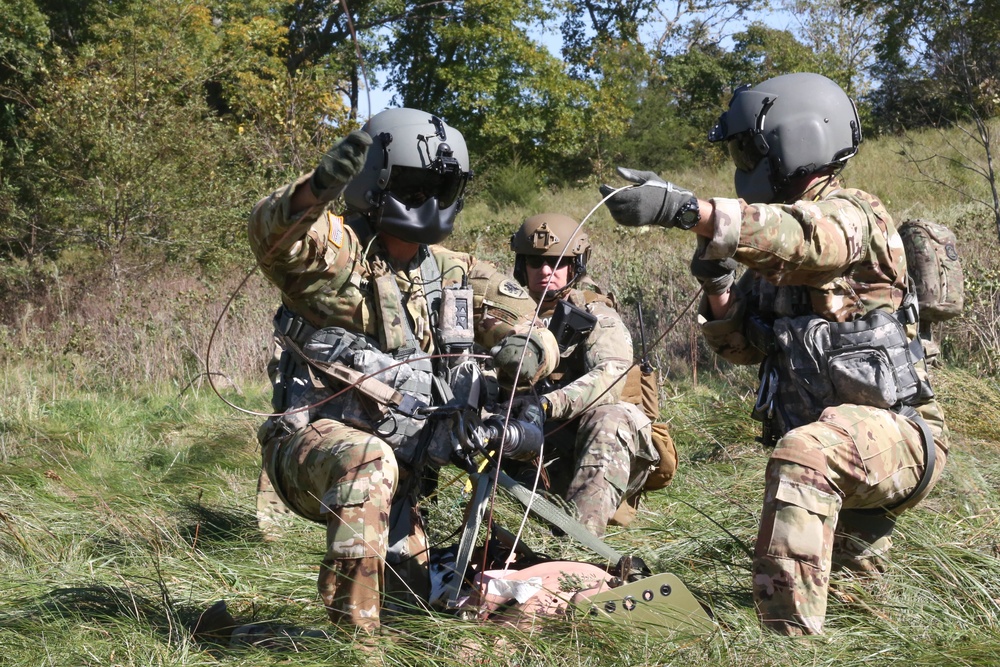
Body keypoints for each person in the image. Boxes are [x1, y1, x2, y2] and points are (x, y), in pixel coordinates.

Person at [599, 72, 948, 635]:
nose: (740, 163)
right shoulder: (778, 264)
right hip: (842, 447)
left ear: (796, 141)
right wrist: (717, 287)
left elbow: (809, 239)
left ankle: (782, 643)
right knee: (864, 617)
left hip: (898, 438)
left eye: (746, 149)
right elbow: (744, 348)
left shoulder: (856, 213)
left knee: (803, 454)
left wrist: (690, 212)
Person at [245, 108, 559, 635]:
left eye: (443, 186)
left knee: (411, 617)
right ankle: (356, 650)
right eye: (413, 185)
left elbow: (528, 326)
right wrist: (316, 188)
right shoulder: (338, 256)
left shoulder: (451, 270)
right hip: (317, 450)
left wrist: (528, 352)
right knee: (368, 462)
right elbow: (274, 232)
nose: (428, 200)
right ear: (378, 183)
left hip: (407, 466)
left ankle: (248, 635)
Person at [506, 213, 673, 538]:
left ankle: (581, 551)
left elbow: (611, 376)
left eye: (557, 263)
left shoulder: (598, 315)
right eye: (535, 263)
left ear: (575, 266)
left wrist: (545, 406)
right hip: (535, 446)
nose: (545, 272)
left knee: (610, 416)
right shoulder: (511, 315)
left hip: (604, 446)